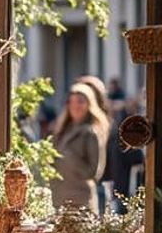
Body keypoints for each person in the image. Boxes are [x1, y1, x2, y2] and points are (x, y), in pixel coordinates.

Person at [50, 83, 109, 213]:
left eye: (80, 101)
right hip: (58, 201)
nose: (75, 106)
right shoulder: (62, 131)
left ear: (89, 104)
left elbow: (94, 172)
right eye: (71, 102)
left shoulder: (92, 133)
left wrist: (69, 156)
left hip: (81, 203)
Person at [105, 95, 144, 214]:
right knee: (121, 202)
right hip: (121, 173)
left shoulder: (118, 126)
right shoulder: (125, 126)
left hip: (120, 172)